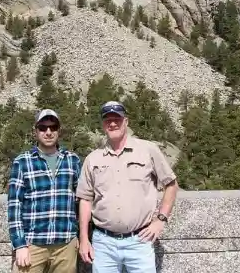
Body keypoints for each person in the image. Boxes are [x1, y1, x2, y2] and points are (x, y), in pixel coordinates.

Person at [76, 101, 179, 273]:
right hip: (103, 243)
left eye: (117, 118)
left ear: (126, 121)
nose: (113, 123)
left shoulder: (148, 150)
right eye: (108, 119)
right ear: (103, 124)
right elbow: (85, 199)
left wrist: (161, 220)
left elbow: (171, 185)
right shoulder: (93, 159)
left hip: (139, 240)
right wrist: (84, 239)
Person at [7, 109, 82, 273]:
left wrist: (81, 236)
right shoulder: (22, 162)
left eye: (53, 127)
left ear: (59, 130)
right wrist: (19, 245)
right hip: (32, 244)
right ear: (36, 131)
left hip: (66, 245)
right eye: (43, 127)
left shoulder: (72, 160)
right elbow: (14, 206)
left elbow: (81, 200)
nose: (48, 132)